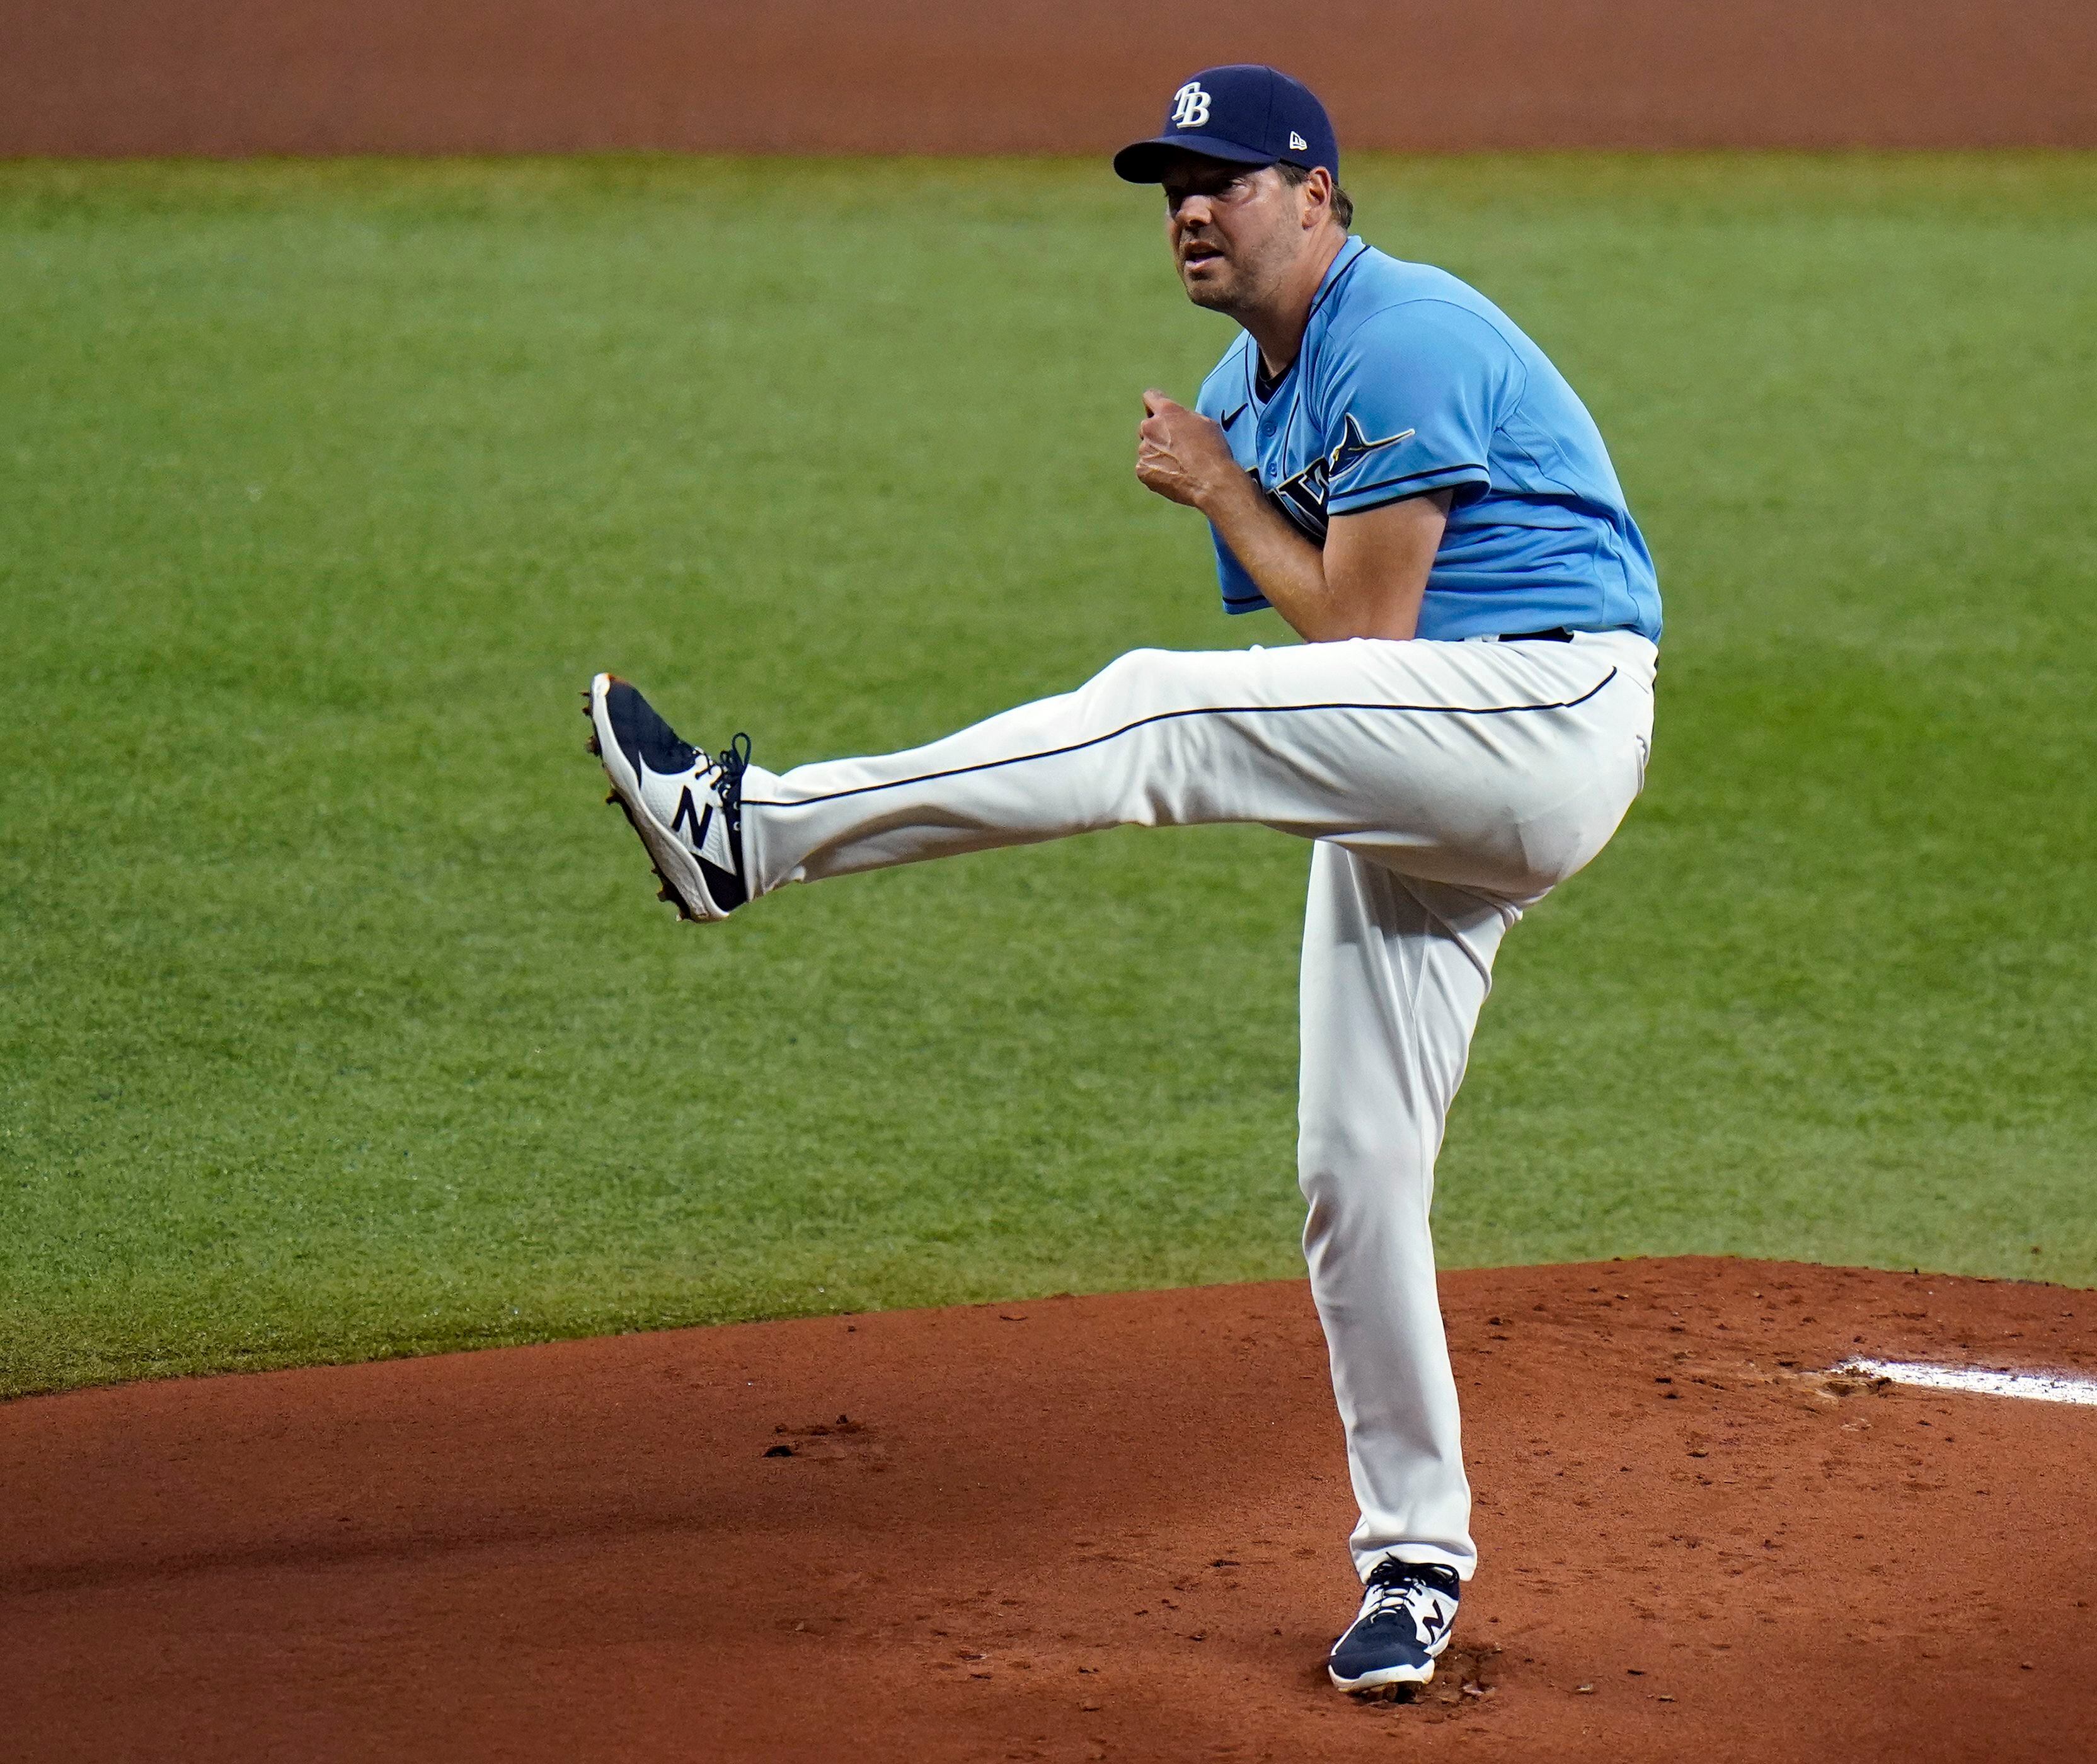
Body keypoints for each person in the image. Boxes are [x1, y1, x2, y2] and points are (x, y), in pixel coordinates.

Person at [583, 63, 1662, 1695]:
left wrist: (1223, 493)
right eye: (1173, 187)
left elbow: (1366, 636)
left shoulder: (1404, 330)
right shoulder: (1250, 382)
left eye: (1224, 180)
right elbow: (1341, 651)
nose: (1191, 211)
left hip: (1551, 712)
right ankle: (1417, 1560)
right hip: (1430, 751)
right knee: (1352, 1172)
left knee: (1160, 707)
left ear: (1316, 194)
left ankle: (753, 832)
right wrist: (1234, 478)